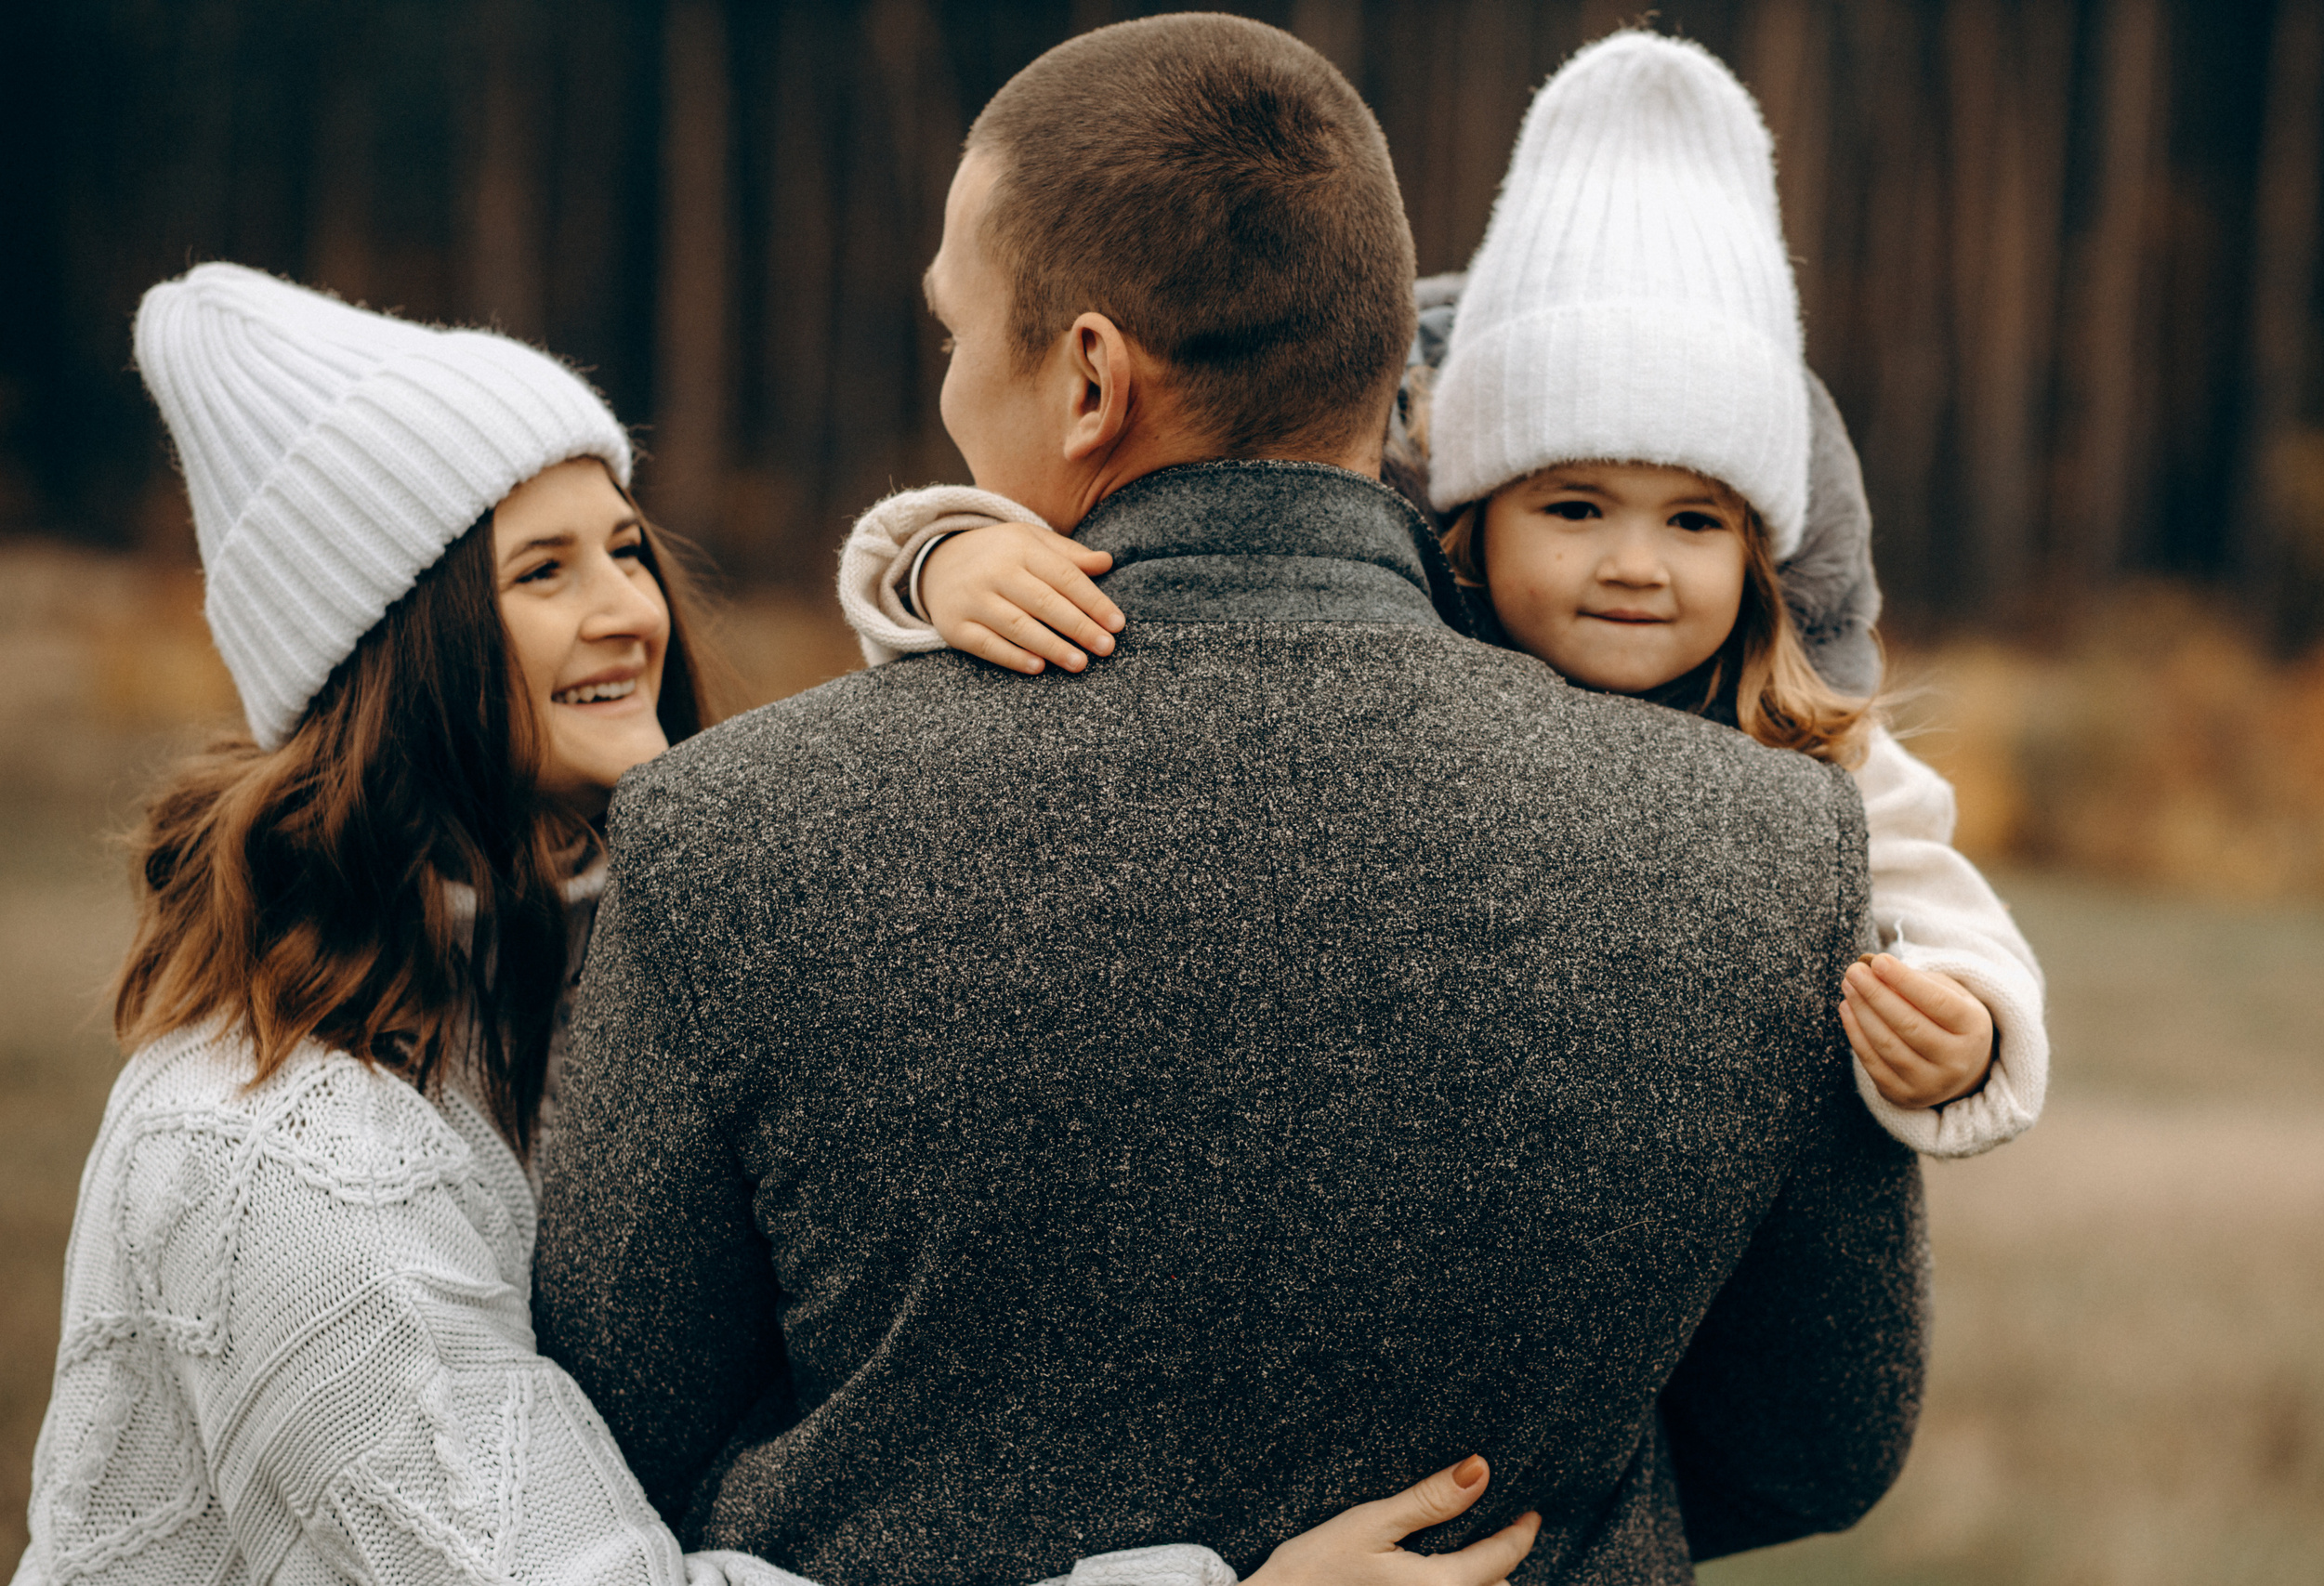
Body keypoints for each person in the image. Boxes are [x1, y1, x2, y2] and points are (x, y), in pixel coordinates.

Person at [532, 16, 1926, 1586]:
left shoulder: (735, 838)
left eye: (953, 333)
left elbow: (605, 1435)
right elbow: (1818, 1440)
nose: (946, 389)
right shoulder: (1763, 846)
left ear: (1087, 381)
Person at [20, 264, 1504, 1586]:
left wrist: (936, 569)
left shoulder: (597, 966)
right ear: (392, 656)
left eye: (622, 547)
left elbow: (868, 846)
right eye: (541, 573)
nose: (630, 612)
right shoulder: (275, 1156)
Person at [836, 31, 2047, 1161]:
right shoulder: (1397, 641)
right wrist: (945, 556)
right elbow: (1100, 593)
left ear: (1760, 555)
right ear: (1471, 521)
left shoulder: (1813, 754)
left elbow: (1943, 911)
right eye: (1574, 510)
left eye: (1694, 522)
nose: (1636, 562)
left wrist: (1969, 1031)